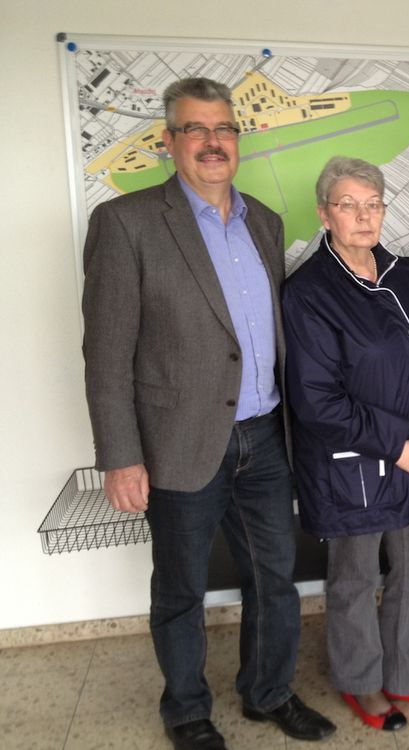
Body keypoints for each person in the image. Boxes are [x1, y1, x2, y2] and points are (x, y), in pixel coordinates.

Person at [81, 78, 334, 750]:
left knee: (274, 578)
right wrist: (121, 456)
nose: (212, 141)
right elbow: (105, 354)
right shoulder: (126, 223)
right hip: (179, 441)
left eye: (223, 128)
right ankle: (187, 710)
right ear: (170, 142)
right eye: (196, 129)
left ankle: (268, 692)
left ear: (237, 139)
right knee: (182, 588)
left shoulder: (264, 222)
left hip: (265, 437)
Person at [282, 156, 409, 733]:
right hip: (354, 467)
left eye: (373, 204)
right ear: (324, 214)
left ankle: (404, 674)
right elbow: (318, 402)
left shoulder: (406, 277)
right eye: (348, 205)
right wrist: (401, 447)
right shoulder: (309, 293)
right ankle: (361, 681)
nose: (363, 216)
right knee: (356, 579)